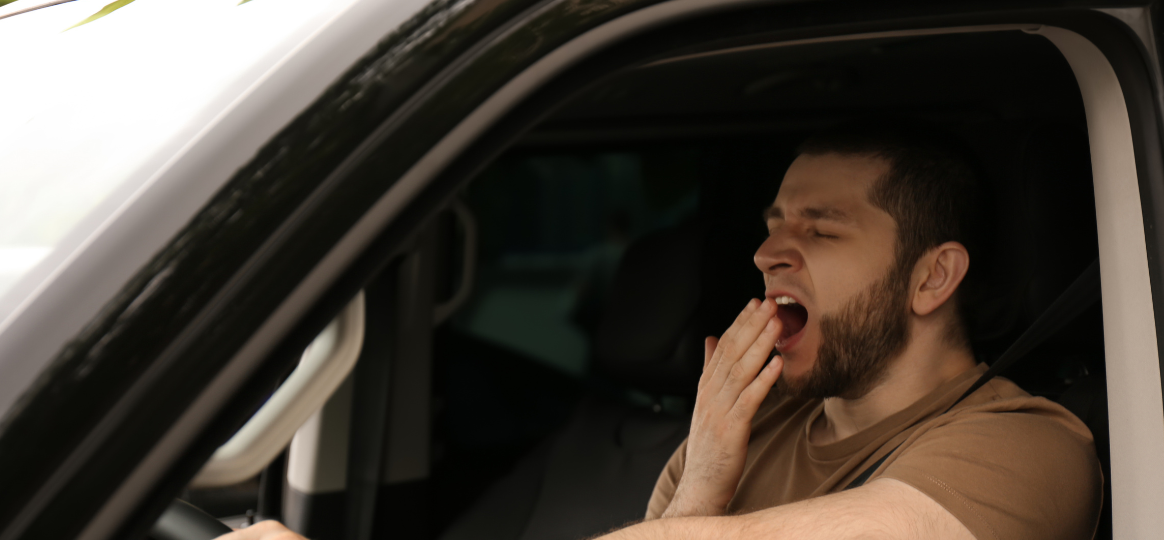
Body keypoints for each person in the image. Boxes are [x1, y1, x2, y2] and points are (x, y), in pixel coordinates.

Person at [216, 123, 1102, 540]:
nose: (768, 253)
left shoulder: (1025, 448)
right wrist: (704, 477)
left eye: (821, 229)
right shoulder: (732, 432)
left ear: (933, 277)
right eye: (773, 224)